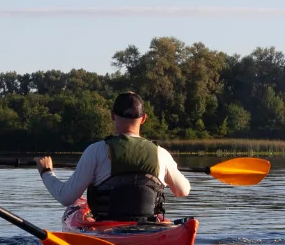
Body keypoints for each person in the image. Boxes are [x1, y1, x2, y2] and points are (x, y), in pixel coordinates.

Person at [36, 92, 191, 222]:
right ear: (143, 118)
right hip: (148, 228)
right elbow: (183, 191)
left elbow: (66, 197)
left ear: (112, 116)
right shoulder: (161, 153)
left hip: (106, 230)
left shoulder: (96, 150)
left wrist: (46, 172)